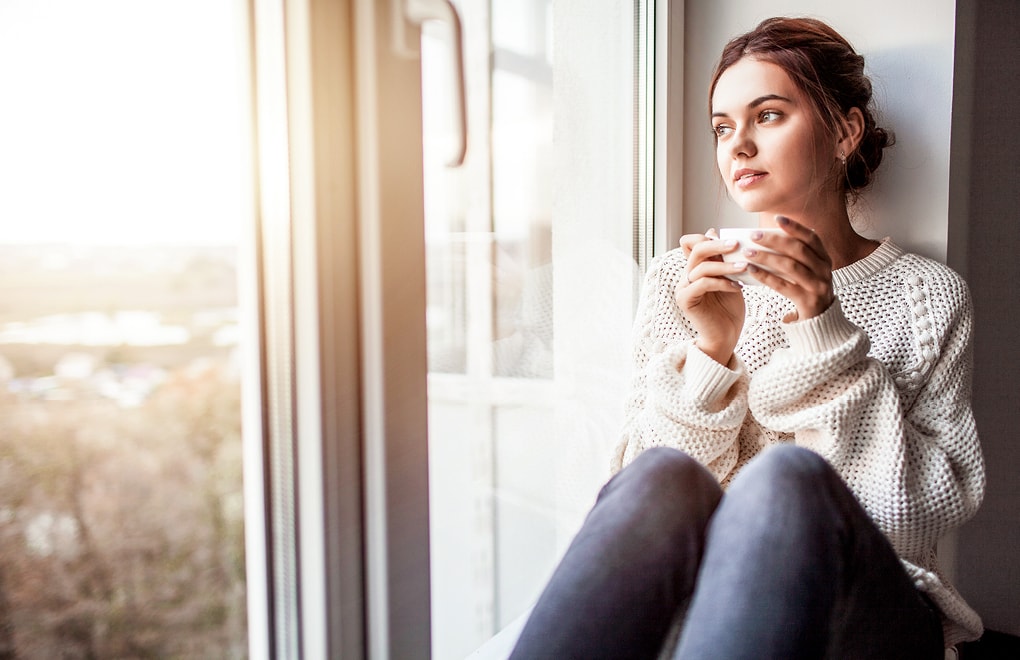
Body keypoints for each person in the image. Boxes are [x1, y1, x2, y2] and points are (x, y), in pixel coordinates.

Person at [508, 16, 984, 660]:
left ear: (844, 131)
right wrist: (712, 353)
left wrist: (823, 329)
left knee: (786, 475)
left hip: (878, 605)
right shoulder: (684, 278)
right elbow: (640, 502)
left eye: (768, 115)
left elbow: (914, 514)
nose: (738, 145)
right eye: (723, 127)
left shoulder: (928, 294)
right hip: (716, 599)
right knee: (659, 479)